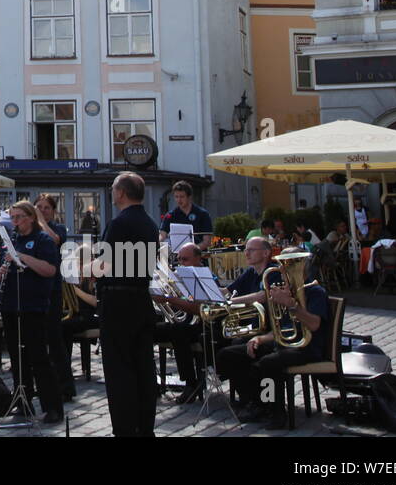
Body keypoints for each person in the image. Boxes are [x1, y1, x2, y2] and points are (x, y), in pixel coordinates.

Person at [215, 267, 330, 428]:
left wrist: (291, 305)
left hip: (307, 347)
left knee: (267, 363)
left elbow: (314, 324)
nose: (282, 276)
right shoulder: (286, 292)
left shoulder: (315, 292)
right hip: (283, 343)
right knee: (228, 355)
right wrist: (260, 338)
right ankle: (255, 401)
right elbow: (280, 328)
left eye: (286, 271)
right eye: (282, 272)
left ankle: (276, 412)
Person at [98, 172, 159, 436]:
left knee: (119, 369)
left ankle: (124, 428)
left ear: (121, 192)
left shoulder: (119, 223)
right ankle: (145, 427)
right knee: (143, 367)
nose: (112, 193)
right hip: (141, 299)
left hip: (118, 301)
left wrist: (83, 267)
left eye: (113, 188)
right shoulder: (150, 223)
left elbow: (106, 264)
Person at [0, 200, 63, 422]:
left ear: (31, 217)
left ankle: (52, 406)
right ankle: (23, 401)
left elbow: (50, 270)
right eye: (12, 218)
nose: (14, 222)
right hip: (11, 305)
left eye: (19, 218)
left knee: (39, 357)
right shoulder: (11, 240)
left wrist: (23, 258)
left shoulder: (42, 240)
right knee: (17, 357)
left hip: (33, 305)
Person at [151, 242, 207, 403]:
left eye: (186, 259)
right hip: (183, 323)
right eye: (179, 260)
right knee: (145, 329)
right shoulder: (178, 277)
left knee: (178, 332)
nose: (181, 263)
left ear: (198, 258)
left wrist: (169, 299)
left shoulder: (205, 276)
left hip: (200, 325)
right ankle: (150, 381)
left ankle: (191, 383)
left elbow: (199, 308)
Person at [33, 194, 76, 401]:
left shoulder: (58, 228)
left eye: (46, 208)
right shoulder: (30, 231)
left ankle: (65, 386)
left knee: (54, 338)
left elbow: (55, 240)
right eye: (38, 207)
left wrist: (40, 220)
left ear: (53, 211)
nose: (42, 210)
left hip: (52, 289)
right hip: (34, 289)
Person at [161, 181, 212, 249]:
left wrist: (190, 252)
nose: (179, 200)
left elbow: (207, 242)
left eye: (182, 197)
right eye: (176, 197)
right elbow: (162, 235)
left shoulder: (202, 214)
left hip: (198, 256)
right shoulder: (170, 215)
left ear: (189, 197)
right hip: (177, 257)